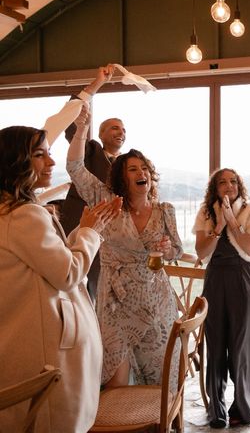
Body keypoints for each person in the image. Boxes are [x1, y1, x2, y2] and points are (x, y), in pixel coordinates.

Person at [0, 126, 121, 432]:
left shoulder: (12, 212)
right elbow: (67, 273)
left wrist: (83, 230)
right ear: (15, 162)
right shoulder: (22, 215)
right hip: (45, 351)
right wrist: (91, 232)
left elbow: (47, 261)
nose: (51, 163)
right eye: (40, 155)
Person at [66, 109, 182, 387]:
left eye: (144, 169)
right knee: (116, 381)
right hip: (116, 302)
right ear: (122, 178)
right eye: (133, 169)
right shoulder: (106, 201)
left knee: (158, 381)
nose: (141, 172)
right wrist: (81, 130)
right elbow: (75, 168)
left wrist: (167, 250)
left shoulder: (165, 210)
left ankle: (159, 425)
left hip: (156, 302)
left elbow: (176, 250)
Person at [193, 168, 250, 428]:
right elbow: (202, 252)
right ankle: (216, 409)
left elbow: (248, 247)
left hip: (244, 279)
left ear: (240, 185)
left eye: (233, 181)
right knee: (215, 346)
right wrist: (218, 227)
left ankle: (243, 407)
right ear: (214, 187)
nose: (228, 186)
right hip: (215, 280)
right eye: (222, 182)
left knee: (242, 347)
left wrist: (232, 222)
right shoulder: (205, 212)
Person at [59, 64, 126, 300]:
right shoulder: (90, 151)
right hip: (83, 228)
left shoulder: (128, 167)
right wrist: (95, 85)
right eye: (114, 127)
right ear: (100, 134)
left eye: (123, 129)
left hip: (115, 240)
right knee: (80, 289)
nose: (121, 131)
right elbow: (70, 125)